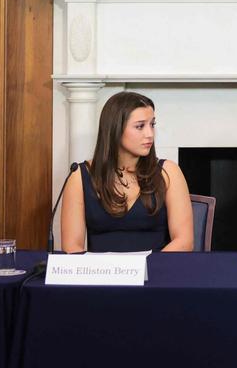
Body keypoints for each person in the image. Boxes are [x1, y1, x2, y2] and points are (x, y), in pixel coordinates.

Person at [60, 91, 193, 252]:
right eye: (140, 126)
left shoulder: (169, 172)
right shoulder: (79, 176)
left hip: (156, 272)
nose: (150, 134)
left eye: (152, 124)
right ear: (115, 129)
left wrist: (141, 269)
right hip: (101, 274)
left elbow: (184, 242)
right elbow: (71, 246)